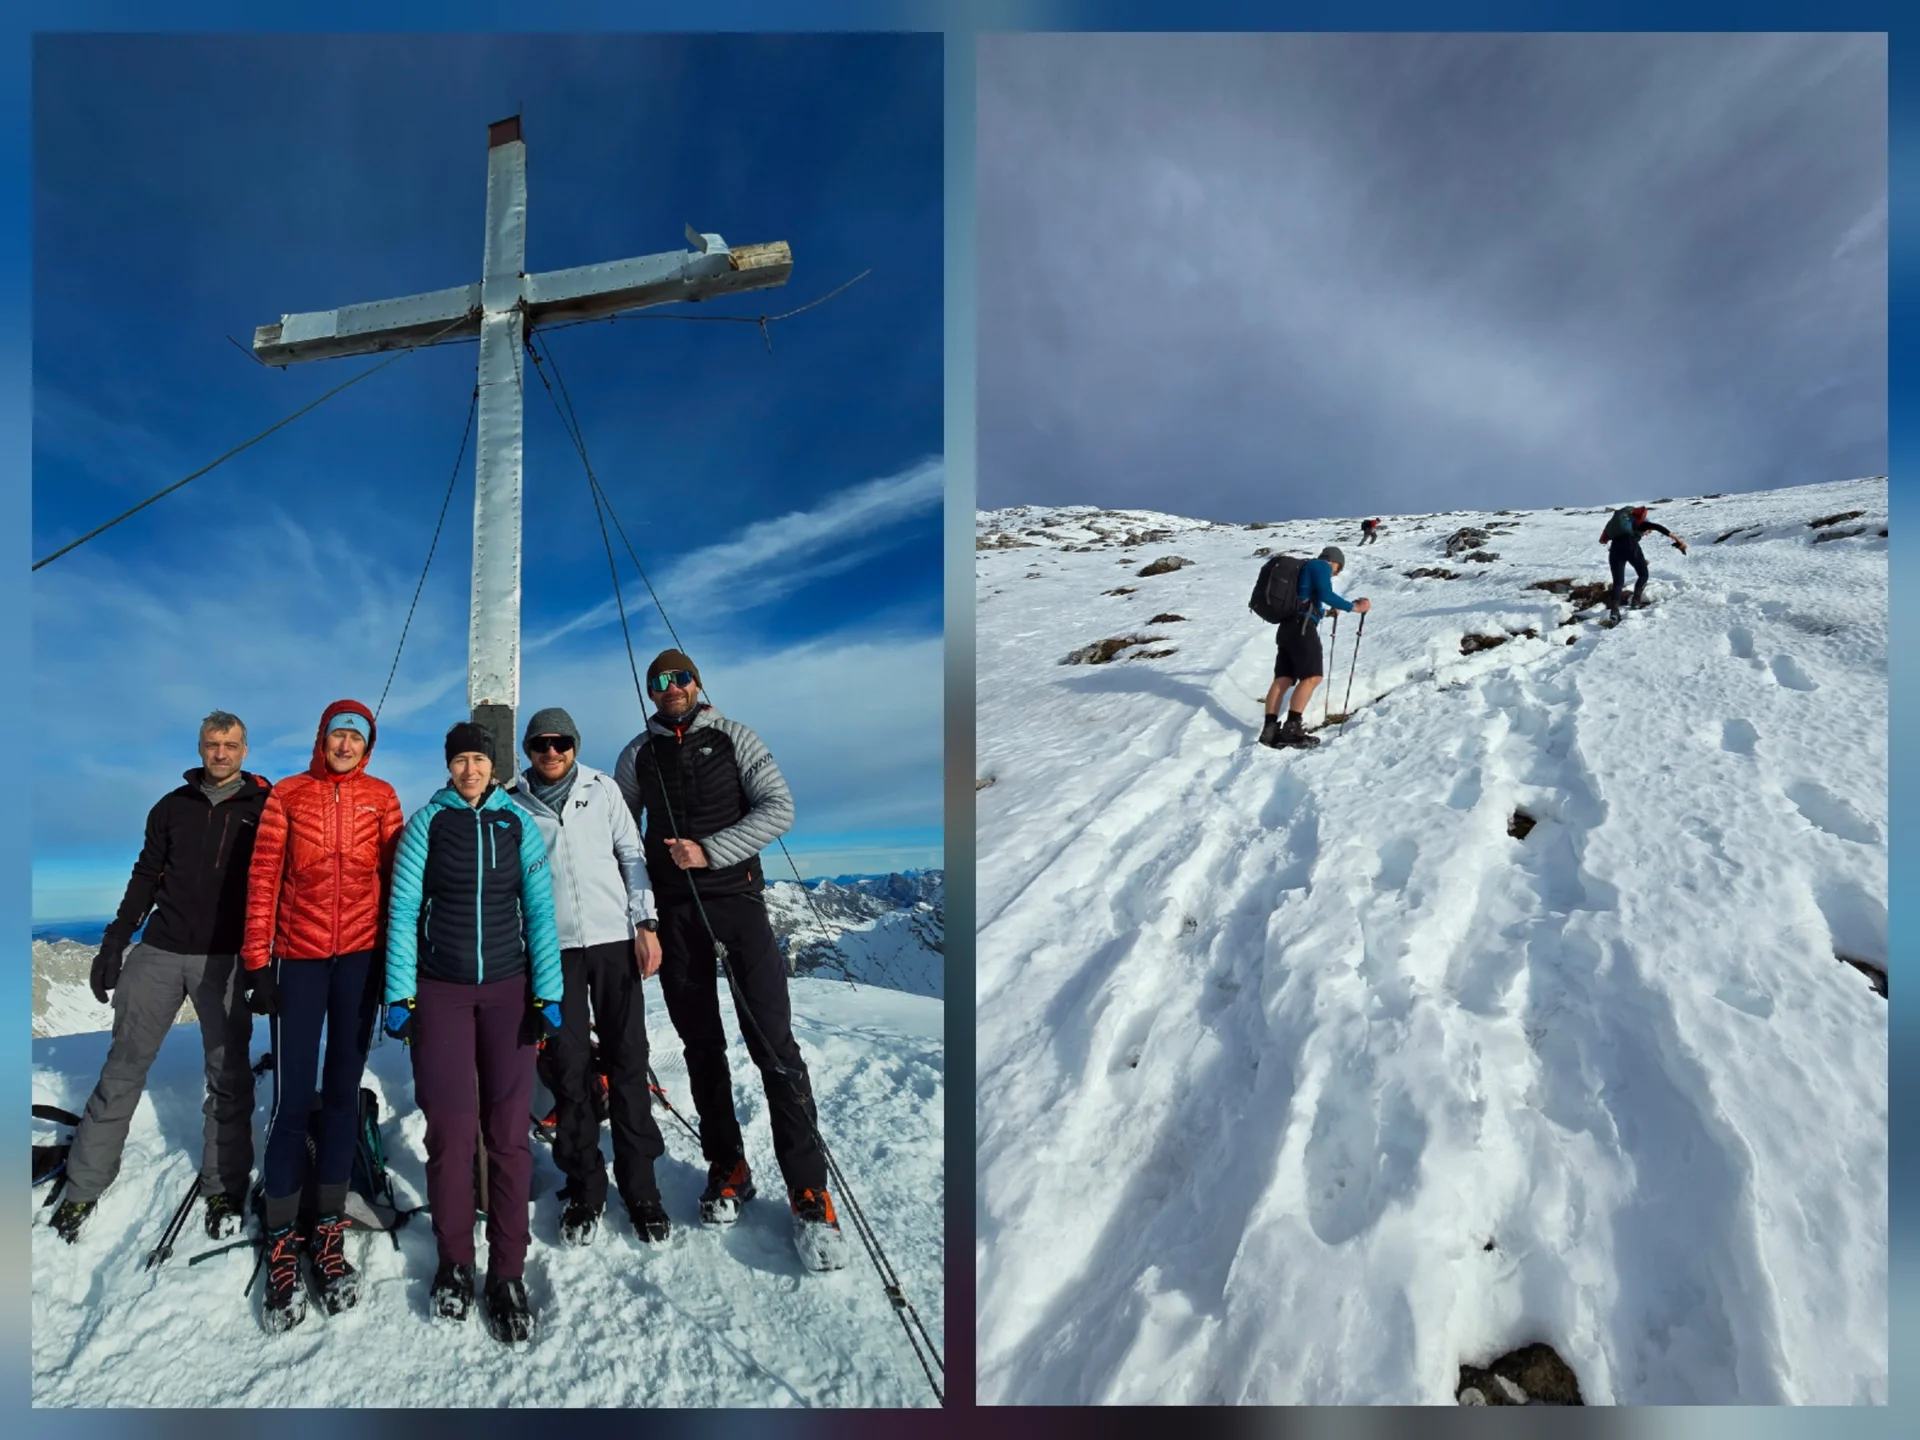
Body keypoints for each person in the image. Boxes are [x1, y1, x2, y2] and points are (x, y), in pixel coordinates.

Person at [613, 649, 847, 1271]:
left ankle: (808, 1189)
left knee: (774, 1044)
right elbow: (622, 836)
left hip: (738, 902)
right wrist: (643, 915)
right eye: (659, 682)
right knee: (700, 1046)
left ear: (697, 682)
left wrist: (708, 851)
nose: (670, 688)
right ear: (651, 691)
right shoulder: (637, 754)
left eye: (680, 678)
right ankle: (728, 1166)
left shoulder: (735, 736)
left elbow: (780, 809)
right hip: (675, 915)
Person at [49, 712, 271, 1247]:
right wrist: (115, 940)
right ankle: (82, 1186)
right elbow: (146, 875)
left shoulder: (265, 809)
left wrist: (270, 960)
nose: (221, 753)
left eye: (231, 745)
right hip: (160, 951)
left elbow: (275, 884)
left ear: (245, 750)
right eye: (212, 744)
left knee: (229, 1075)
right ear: (200, 748)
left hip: (226, 957)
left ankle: (223, 1185)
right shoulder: (170, 808)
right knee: (122, 1067)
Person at [384, 721, 562, 1345]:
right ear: (448, 766)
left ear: (494, 765)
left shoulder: (520, 825)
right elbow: (402, 910)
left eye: (479, 760)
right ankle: (456, 1263)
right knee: (452, 1132)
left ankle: (507, 1273)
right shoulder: (426, 825)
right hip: (442, 993)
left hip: (511, 991)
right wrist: (399, 993)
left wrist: (550, 993)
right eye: (458, 760)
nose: (469, 770)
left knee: (509, 1136)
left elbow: (539, 909)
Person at [241, 699, 403, 1333]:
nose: (344, 744)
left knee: (341, 1096)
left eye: (355, 737)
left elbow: (398, 882)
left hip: (360, 960)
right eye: (337, 734)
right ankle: (283, 1238)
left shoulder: (382, 797)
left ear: (367, 746)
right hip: (297, 960)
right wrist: (258, 961)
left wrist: (395, 964)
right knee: (289, 1102)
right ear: (322, 738)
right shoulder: (289, 795)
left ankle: (328, 1230)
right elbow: (263, 879)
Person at [510, 706, 668, 1248]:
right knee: (569, 1067)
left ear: (574, 745)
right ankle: (584, 1188)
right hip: (552, 953)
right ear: (527, 750)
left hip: (612, 941)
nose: (551, 753)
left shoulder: (602, 790)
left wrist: (645, 922)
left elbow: (632, 855)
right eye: (540, 744)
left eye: (561, 743)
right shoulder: (512, 802)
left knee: (628, 1061)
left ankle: (642, 1188)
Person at [1261, 547, 1372, 750]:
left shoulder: (1304, 568)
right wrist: (1355, 607)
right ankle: (1291, 730)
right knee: (1312, 677)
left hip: (1287, 628)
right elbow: (1326, 594)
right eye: (1338, 568)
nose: (1336, 573)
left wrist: (1327, 613)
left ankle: (1269, 732)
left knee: (1283, 679)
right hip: (1302, 627)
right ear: (1334, 561)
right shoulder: (1321, 565)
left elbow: (1308, 599)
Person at [1598, 504, 1688, 621]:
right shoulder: (1641, 524)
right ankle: (1635, 602)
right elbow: (1658, 527)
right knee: (1643, 575)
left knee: (1618, 582)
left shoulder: (1625, 530)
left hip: (1614, 550)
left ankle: (1614, 611)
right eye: (1648, 531)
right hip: (1630, 545)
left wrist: (1641, 560)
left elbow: (1628, 552)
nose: (1648, 533)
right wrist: (1678, 540)